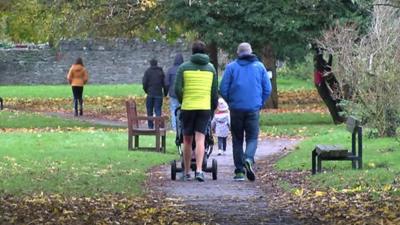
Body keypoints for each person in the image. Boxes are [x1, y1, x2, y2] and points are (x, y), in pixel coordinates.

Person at [219, 42, 272, 182]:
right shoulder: (260, 67)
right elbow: (268, 88)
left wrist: (230, 101)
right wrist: (259, 102)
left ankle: (239, 172)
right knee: (252, 137)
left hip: (236, 109)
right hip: (253, 108)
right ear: (251, 52)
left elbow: (222, 88)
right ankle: (248, 158)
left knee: (237, 139)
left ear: (238, 53)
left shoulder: (231, 67)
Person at [175, 41, 218, 182]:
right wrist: (212, 106)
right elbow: (214, 92)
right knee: (201, 139)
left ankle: (187, 171)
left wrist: (183, 100)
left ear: (192, 52)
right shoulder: (211, 68)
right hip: (204, 107)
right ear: (204, 52)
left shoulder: (183, 67)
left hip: (188, 107)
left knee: (187, 140)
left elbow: (177, 89)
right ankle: (199, 171)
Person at [313, 46, 346, 124]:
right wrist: (321, 51)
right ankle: (337, 119)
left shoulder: (322, 64)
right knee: (330, 102)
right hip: (320, 85)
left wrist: (331, 54)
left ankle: (339, 118)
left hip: (321, 83)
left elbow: (328, 67)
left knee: (333, 101)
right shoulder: (318, 64)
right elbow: (325, 66)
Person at [142, 58, 167, 129]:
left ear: (150, 64)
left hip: (150, 94)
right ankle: (158, 126)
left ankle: (150, 126)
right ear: (157, 63)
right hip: (158, 94)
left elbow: (144, 83)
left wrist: (146, 91)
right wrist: (165, 93)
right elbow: (165, 84)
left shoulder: (148, 72)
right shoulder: (160, 72)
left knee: (149, 110)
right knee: (158, 110)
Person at [165, 53, 184, 130]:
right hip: (182, 94)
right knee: (182, 110)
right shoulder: (184, 70)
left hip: (173, 94)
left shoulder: (170, 70)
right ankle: (181, 127)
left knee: (173, 110)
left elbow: (166, 82)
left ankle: (174, 128)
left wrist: (166, 92)